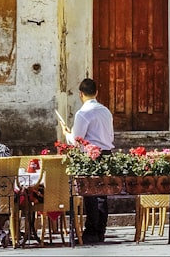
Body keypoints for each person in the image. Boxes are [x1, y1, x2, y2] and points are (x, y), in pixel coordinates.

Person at [61, 78, 114, 244]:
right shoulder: (106, 111)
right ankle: (100, 230)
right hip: (106, 153)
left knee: (91, 195)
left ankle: (91, 231)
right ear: (96, 93)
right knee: (102, 194)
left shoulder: (83, 113)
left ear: (80, 94)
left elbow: (77, 141)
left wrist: (66, 133)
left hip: (91, 156)